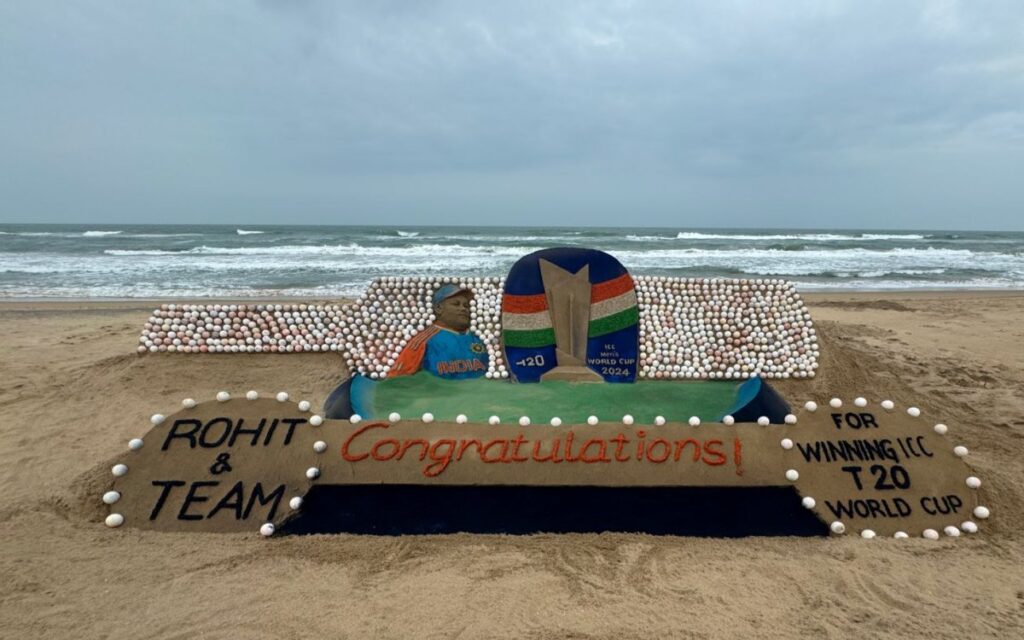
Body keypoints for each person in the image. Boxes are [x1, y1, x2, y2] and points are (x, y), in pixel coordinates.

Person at [391, 284, 489, 379]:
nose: (463, 309)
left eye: (466, 306)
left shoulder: (478, 340)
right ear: (438, 308)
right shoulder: (424, 341)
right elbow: (397, 380)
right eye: (456, 304)